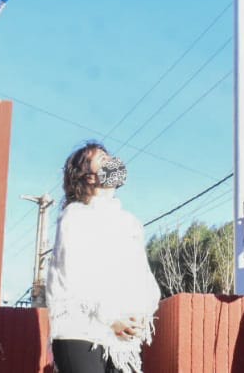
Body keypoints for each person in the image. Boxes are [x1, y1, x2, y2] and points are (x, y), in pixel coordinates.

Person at [45, 142, 160, 373]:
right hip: (79, 331)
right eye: (102, 160)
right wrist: (111, 318)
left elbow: (143, 278)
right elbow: (74, 280)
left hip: (121, 342)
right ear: (88, 176)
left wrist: (141, 315)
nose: (112, 162)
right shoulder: (74, 217)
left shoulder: (130, 223)